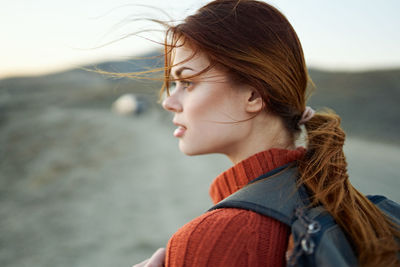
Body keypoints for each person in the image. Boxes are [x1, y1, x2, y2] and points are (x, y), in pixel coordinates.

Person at [133, 0, 400, 266]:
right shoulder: (350, 206)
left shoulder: (211, 239)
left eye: (188, 82)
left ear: (252, 96)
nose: (169, 101)